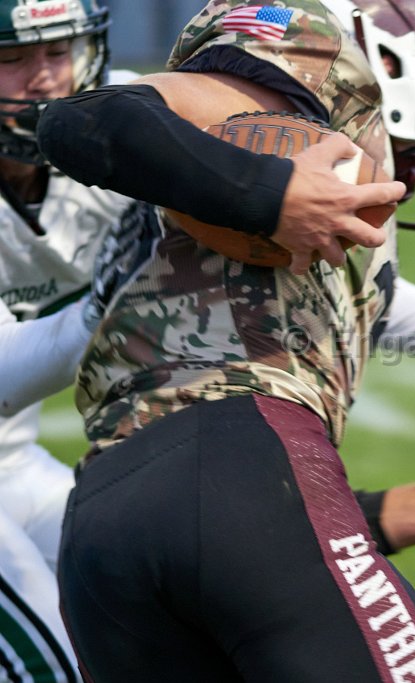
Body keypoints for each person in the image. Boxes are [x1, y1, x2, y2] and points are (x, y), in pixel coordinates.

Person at [36, 1, 415, 681]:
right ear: (386, 54)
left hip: (106, 525)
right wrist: (268, 194)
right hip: (233, 448)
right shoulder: (307, 39)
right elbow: (89, 119)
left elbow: (311, 292)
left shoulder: (249, 170)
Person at [0, 2, 135, 680]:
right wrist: (100, 309)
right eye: (11, 58)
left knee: (163, 598)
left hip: (14, 466)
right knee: (48, 666)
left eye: (59, 50)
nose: (45, 77)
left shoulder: (118, 135)